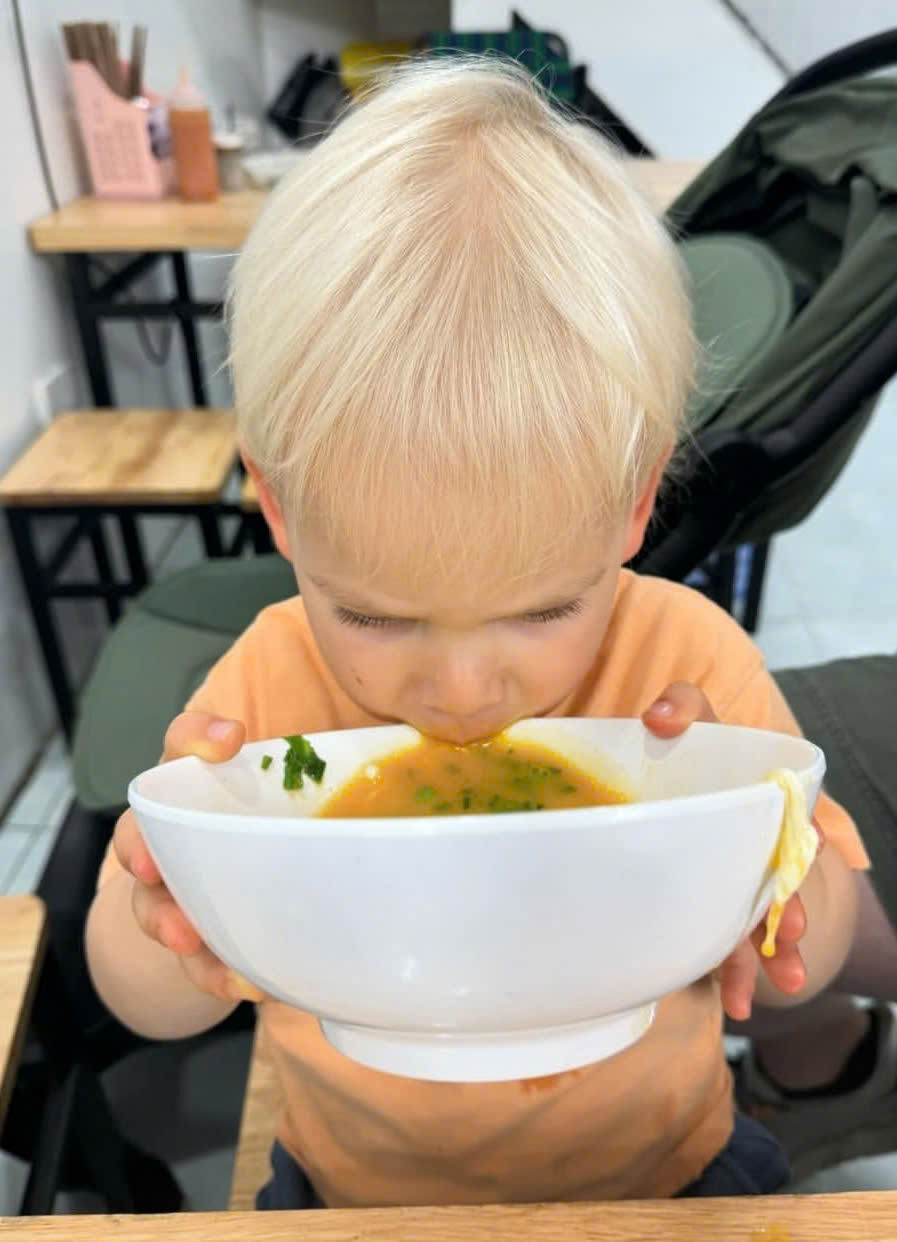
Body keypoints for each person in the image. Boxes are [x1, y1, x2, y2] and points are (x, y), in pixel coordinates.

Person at [84, 59, 864, 1207]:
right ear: (281, 511)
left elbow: (827, 916)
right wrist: (171, 922)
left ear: (635, 506)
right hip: (353, 1189)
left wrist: (775, 888)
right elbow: (136, 996)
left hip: (665, 1172)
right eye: (377, 614)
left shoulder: (682, 678)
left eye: (544, 608)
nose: (459, 691)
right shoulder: (262, 702)